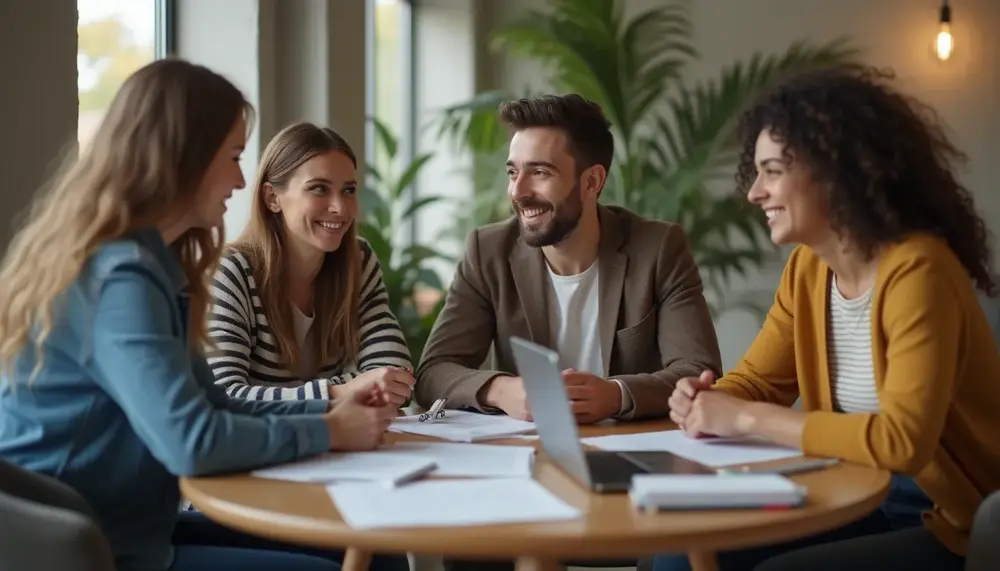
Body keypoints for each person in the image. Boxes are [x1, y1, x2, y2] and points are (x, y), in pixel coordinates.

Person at [0, 59, 406, 571]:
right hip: (86, 545)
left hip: (135, 528)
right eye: (234, 156)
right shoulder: (120, 278)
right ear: (183, 158)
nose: (240, 178)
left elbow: (215, 405)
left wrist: (331, 412)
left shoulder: (151, 264)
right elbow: (194, 442)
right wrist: (331, 430)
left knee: (379, 554)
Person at [653, 64, 1000, 571]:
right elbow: (758, 380)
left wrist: (746, 418)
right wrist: (709, 399)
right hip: (851, 489)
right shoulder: (808, 269)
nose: (754, 193)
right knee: (676, 558)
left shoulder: (918, 270)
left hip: (946, 516)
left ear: (836, 170)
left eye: (772, 171)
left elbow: (902, 442)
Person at [415, 93, 722, 425]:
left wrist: (616, 395)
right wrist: (503, 390)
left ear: (592, 181)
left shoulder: (658, 249)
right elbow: (433, 372)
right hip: (524, 453)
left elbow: (698, 372)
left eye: (540, 173)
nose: (518, 191)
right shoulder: (488, 251)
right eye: (512, 172)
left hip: (629, 448)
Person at [206, 121, 414, 408]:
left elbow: (396, 376)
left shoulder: (358, 259)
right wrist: (340, 392)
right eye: (319, 189)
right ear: (272, 198)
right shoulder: (231, 271)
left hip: (340, 444)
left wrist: (291, 396)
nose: (339, 208)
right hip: (263, 451)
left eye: (349, 191)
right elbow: (222, 396)